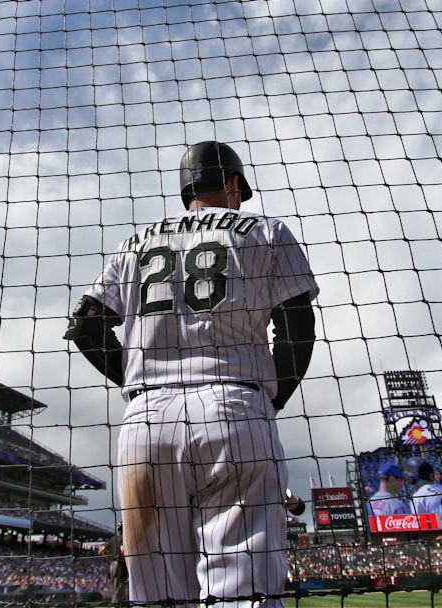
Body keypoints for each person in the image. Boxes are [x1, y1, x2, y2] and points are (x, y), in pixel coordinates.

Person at [65, 140, 319, 608]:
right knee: (245, 596)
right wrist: (272, 399)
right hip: (235, 409)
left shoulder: (134, 243)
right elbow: (297, 327)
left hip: (145, 424)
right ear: (233, 183)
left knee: (159, 599)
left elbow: (84, 325)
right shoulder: (267, 230)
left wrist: (139, 382)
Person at [102, 523, 129, 605]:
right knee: (120, 588)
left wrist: (110, 560)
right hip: (120, 565)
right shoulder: (123, 537)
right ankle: (117, 605)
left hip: (112, 565)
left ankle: (117, 603)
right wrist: (125, 560)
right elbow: (122, 550)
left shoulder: (113, 538)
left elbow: (103, 550)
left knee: (115, 588)